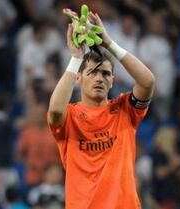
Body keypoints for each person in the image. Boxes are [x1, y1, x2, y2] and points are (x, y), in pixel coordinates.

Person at [47, 10, 155, 209]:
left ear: (112, 81)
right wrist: (76, 57)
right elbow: (54, 110)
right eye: (92, 73)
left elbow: (147, 82)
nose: (99, 78)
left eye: (106, 74)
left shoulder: (124, 111)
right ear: (78, 78)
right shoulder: (69, 116)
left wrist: (109, 44)